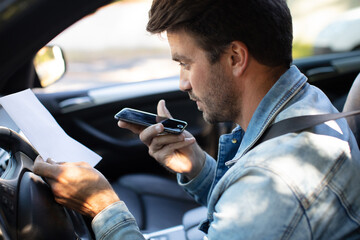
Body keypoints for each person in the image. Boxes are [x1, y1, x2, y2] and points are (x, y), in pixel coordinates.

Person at [33, 0, 360, 239]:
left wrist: (102, 208)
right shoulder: (305, 99)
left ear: (235, 58)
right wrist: (197, 168)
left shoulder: (276, 182)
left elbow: (266, 201)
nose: (183, 83)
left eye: (186, 63)